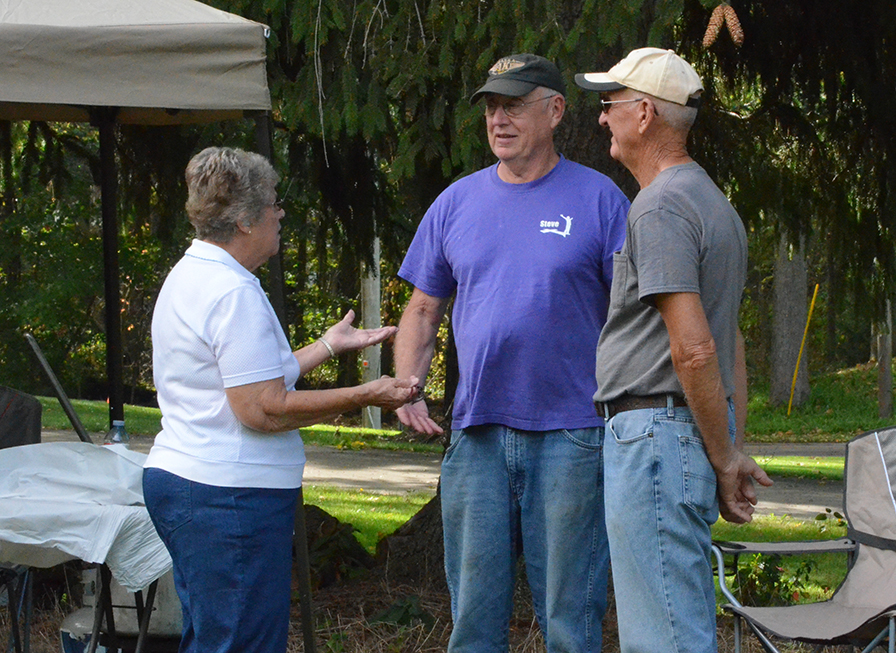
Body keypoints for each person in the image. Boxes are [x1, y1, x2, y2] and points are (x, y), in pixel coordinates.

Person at [394, 54, 629, 652]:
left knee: (570, 618)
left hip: (574, 433)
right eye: (492, 107)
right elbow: (423, 309)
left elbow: (635, 316)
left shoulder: (601, 200)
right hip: (476, 436)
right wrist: (406, 386)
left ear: (554, 111)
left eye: (514, 105)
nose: (498, 119)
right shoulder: (455, 203)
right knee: (473, 619)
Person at [142, 147, 418, 653]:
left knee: (213, 639)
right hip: (229, 498)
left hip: (197, 486)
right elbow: (262, 408)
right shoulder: (231, 292)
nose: (280, 213)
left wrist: (329, 346)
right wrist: (367, 394)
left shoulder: (197, 273)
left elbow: (244, 379)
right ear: (246, 220)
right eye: (273, 203)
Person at [575, 48, 773, 653]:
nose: (601, 119)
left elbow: (694, 348)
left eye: (609, 106)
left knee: (661, 638)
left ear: (643, 114)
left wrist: (723, 455)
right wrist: (728, 446)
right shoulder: (712, 201)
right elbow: (729, 339)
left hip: (655, 437)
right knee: (677, 626)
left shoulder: (660, 205)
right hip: (676, 436)